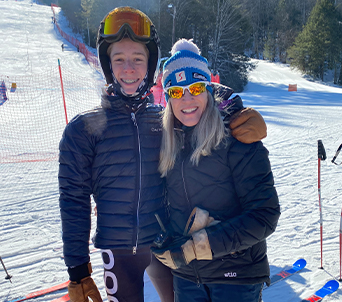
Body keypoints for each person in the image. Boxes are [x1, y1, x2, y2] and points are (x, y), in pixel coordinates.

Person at [58, 7, 267, 302]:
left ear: (151, 64)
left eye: (137, 59)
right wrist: (78, 270)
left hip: (168, 246)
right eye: (119, 59)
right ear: (108, 65)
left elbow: (199, 101)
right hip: (118, 253)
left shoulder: (165, 121)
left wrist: (235, 111)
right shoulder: (84, 130)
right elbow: (73, 201)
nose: (128, 68)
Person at [151, 39, 281, 302]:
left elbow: (265, 215)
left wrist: (198, 246)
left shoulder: (236, 136)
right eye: (176, 91)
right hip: (187, 279)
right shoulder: (165, 142)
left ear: (209, 89)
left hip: (236, 278)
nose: (186, 98)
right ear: (167, 97)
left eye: (196, 87)